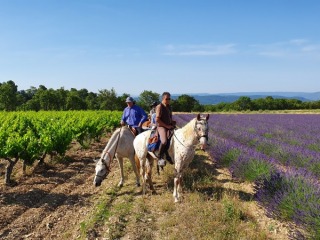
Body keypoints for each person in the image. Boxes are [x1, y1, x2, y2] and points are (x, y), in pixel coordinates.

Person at [155, 92, 175, 165]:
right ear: (163, 99)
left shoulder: (169, 106)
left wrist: (172, 122)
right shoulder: (159, 106)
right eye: (167, 99)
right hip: (161, 126)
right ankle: (159, 156)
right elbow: (157, 119)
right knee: (164, 141)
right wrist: (167, 126)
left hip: (169, 125)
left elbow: (168, 117)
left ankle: (169, 154)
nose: (168, 100)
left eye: (169, 99)